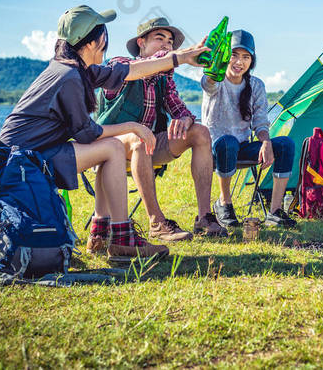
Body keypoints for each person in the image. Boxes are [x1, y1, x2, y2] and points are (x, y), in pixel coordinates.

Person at [0, 5, 209, 260]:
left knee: (112, 147)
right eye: (103, 34)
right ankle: (120, 237)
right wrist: (133, 126)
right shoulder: (69, 76)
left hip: (31, 153)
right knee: (112, 146)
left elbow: (132, 72)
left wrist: (184, 57)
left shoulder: (78, 70)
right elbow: (87, 133)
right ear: (94, 41)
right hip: (19, 161)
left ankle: (112, 233)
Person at [97, 18, 227, 242]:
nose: (167, 44)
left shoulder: (165, 78)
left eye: (170, 41)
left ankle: (204, 217)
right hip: (111, 147)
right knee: (139, 139)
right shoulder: (118, 65)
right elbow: (144, 68)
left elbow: (178, 106)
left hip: (148, 147)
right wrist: (180, 56)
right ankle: (156, 222)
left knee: (200, 132)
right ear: (141, 42)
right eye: (160, 39)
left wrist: (185, 119)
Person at [201, 29, 296, 228]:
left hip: (242, 147)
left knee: (285, 143)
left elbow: (260, 122)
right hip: (215, 149)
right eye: (234, 55)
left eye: (246, 57)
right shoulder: (217, 80)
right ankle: (224, 203)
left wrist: (266, 142)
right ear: (226, 56)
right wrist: (212, 61)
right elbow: (207, 84)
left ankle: (275, 211)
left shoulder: (256, 85)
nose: (239, 62)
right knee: (228, 142)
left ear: (251, 61)